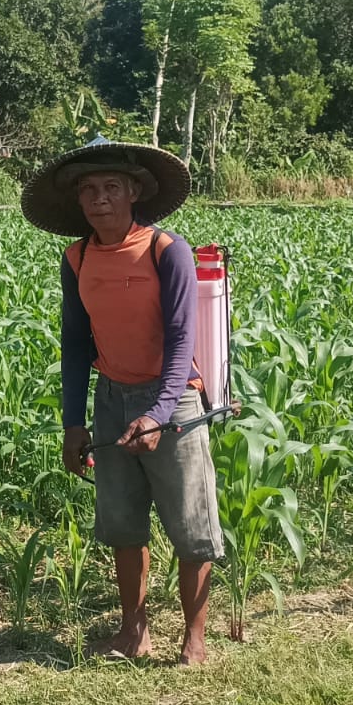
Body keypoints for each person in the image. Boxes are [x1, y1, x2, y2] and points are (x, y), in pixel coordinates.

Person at [20, 136, 224, 666]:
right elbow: (75, 343)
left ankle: (194, 639)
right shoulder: (78, 257)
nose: (99, 199)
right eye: (88, 189)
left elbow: (182, 340)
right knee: (123, 523)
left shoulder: (167, 250)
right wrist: (73, 422)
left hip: (174, 400)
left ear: (135, 192)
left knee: (192, 525)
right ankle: (134, 631)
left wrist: (158, 413)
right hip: (111, 397)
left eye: (111, 186)